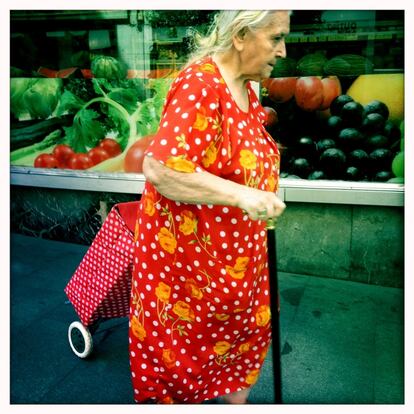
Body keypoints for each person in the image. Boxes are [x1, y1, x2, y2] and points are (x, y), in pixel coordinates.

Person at [129, 10, 289, 404]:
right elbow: (160, 167)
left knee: (241, 346)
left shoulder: (248, 87)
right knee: (185, 366)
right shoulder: (200, 85)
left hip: (235, 262)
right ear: (241, 35)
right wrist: (242, 195)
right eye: (275, 38)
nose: (283, 51)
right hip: (189, 272)